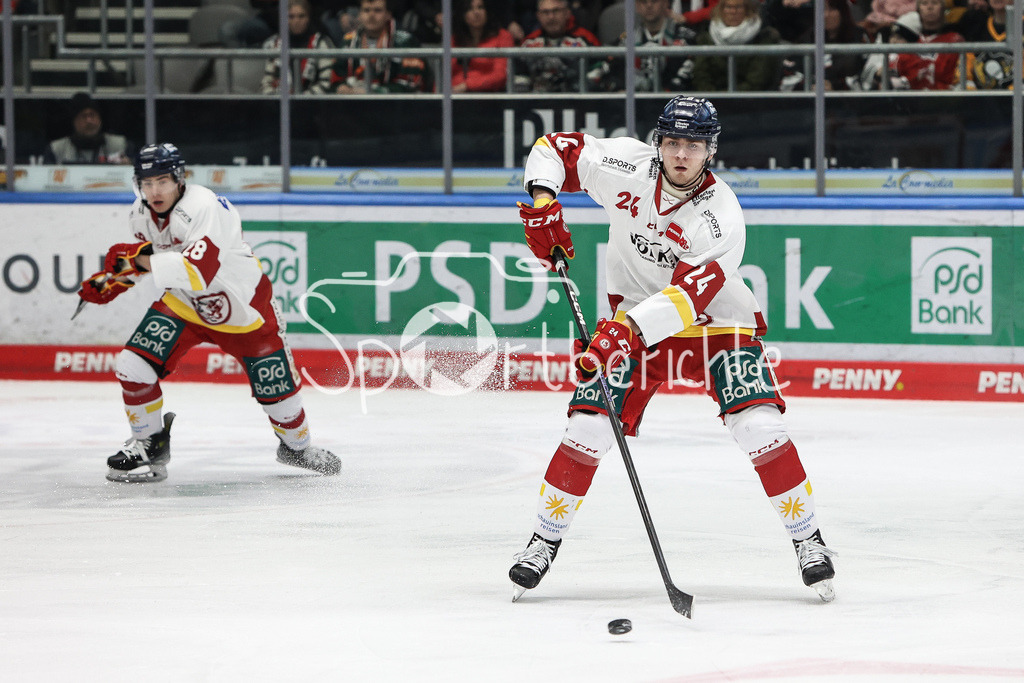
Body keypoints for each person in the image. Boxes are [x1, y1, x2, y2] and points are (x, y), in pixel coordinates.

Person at [509, 96, 836, 604]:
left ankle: (808, 540)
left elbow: (686, 299)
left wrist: (623, 334)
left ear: (711, 151)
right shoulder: (626, 167)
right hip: (634, 319)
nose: (682, 154)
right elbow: (554, 148)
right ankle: (542, 541)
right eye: (673, 142)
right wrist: (542, 201)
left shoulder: (721, 216)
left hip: (714, 324)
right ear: (658, 142)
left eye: (694, 145)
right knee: (588, 427)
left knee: (760, 426)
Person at [76, 143, 340, 483]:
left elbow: (196, 270)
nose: (154, 191)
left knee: (279, 396)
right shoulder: (139, 214)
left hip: (244, 310)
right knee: (131, 364)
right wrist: (119, 277)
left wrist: (135, 262)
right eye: (146, 183)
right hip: (185, 305)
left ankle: (297, 449)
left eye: (161, 182)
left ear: (178, 179)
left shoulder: (204, 206)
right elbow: (166, 252)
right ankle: (149, 444)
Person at [591, 0, 698, 91]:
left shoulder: (685, 37)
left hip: (672, 107)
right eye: (643, 1)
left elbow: (686, 78)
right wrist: (618, 89)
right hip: (636, 106)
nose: (649, 5)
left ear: (666, 4)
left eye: (654, 1)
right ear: (637, 6)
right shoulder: (627, 40)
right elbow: (605, 70)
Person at [334, 0, 433, 93]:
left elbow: (411, 83)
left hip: (397, 107)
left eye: (377, 10)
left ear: (388, 15)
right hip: (353, 106)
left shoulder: (406, 42)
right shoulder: (348, 41)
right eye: (366, 10)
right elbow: (336, 79)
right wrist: (341, 87)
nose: (371, 15)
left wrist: (375, 92)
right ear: (359, 15)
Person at [690, 0, 783, 91]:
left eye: (738, 7)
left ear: (747, 10)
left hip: (751, 99)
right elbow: (701, 74)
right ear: (721, 10)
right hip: (713, 99)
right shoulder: (706, 36)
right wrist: (715, 98)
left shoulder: (765, 36)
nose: (733, 12)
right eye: (728, 7)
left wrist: (730, 99)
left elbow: (759, 78)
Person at [514, 0, 604, 93]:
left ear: (567, 13)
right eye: (545, 12)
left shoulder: (586, 40)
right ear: (538, 16)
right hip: (537, 102)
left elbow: (598, 73)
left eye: (556, 11)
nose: (551, 17)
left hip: (577, 101)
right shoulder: (529, 43)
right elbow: (519, 78)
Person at [781, 0, 870, 91]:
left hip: (848, 101)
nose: (826, 15)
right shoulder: (807, 38)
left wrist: (835, 86)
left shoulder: (859, 36)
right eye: (822, 10)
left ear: (843, 11)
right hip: (810, 101)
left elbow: (866, 77)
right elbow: (788, 76)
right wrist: (809, 85)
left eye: (832, 10)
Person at [261, 0, 336, 95]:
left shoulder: (321, 43)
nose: (296, 21)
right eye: (291, 17)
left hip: (313, 104)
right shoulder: (274, 44)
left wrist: (302, 100)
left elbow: (326, 82)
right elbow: (267, 81)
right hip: (279, 103)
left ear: (308, 17)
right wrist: (274, 97)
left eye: (301, 16)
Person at [46, 92, 133, 165]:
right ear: (74, 121)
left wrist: (129, 166)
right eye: (83, 116)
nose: (89, 120)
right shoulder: (57, 149)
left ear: (100, 119)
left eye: (92, 115)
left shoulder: (120, 145)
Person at [451, 0, 516, 93]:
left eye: (480, 7)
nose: (476, 13)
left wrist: (467, 85)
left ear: (487, 11)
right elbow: (445, 74)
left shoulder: (503, 36)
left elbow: (500, 76)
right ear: (463, 14)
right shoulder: (455, 39)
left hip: (489, 97)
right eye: (470, 9)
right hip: (454, 96)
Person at [956, 0, 1020, 89]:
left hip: (1017, 96)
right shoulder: (977, 24)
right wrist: (967, 82)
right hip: (983, 96)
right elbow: (968, 57)